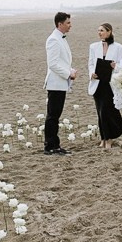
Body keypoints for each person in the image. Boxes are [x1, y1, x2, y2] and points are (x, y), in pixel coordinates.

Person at [43, 11, 77, 155]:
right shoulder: (53, 39)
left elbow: (62, 61)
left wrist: (70, 70)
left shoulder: (60, 38)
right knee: (53, 116)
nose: (70, 25)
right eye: (68, 23)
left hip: (61, 83)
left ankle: (54, 144)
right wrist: (68, 73)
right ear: (60, 24)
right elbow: (53, 64)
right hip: (55, 83)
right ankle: (50, 146)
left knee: (55, 115)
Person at [88, 22, 122, 149]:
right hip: (98, 83)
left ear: (109, 32)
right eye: (98, 30)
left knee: (107, 111)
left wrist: (116, 66)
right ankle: (103, 138)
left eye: (102, 30)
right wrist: (91, 73)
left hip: (110, 83)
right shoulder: (93, 46)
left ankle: (109, 139)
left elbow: (121, 65)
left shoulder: (118, 47)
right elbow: (91, 63)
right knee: (100, 111)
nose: (99, 33)